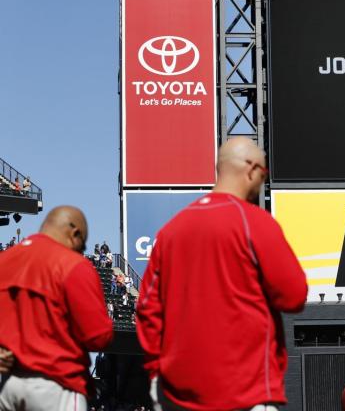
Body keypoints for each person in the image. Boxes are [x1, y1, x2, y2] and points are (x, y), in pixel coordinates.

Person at [136, 136, 307, 410]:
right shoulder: (254, 222)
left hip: (178, 395)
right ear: (252, 170)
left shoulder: (170, 231)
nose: (263, 181)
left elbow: (146, 310)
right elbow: (294, 295)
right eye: (264, 174)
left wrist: (157, 372)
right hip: (246, 391)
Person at [0, 206, 114, 409]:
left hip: (7, 387)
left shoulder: (4, 260)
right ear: (75, 233)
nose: (81, 251)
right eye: (82, 246)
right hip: (57, 385)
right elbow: (98, 337)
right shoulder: (73, 264)